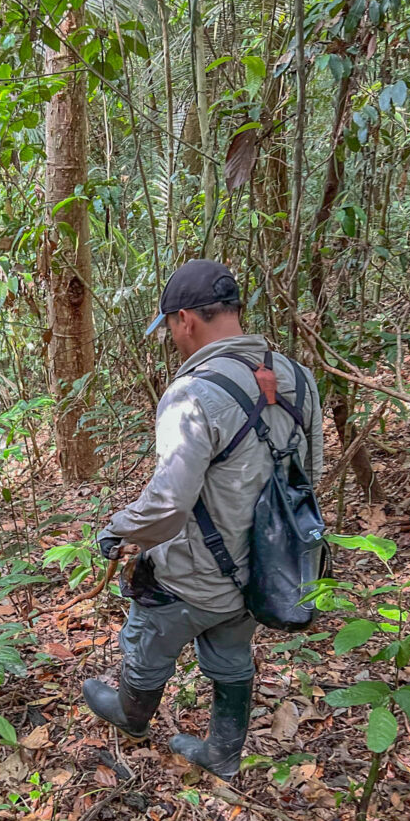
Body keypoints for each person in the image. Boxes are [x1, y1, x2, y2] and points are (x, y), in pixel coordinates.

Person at [82, 259, 323, 780]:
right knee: (232, 650)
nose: (172, 336)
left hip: (195, 577)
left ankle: (131, 716)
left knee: (148, 638)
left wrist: (117, 532)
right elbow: (311, 475)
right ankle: (223, 753)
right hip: (267, 571)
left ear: (185, 319)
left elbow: (168, 505)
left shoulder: (193, 394)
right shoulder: (299, 378)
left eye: (170, 326)